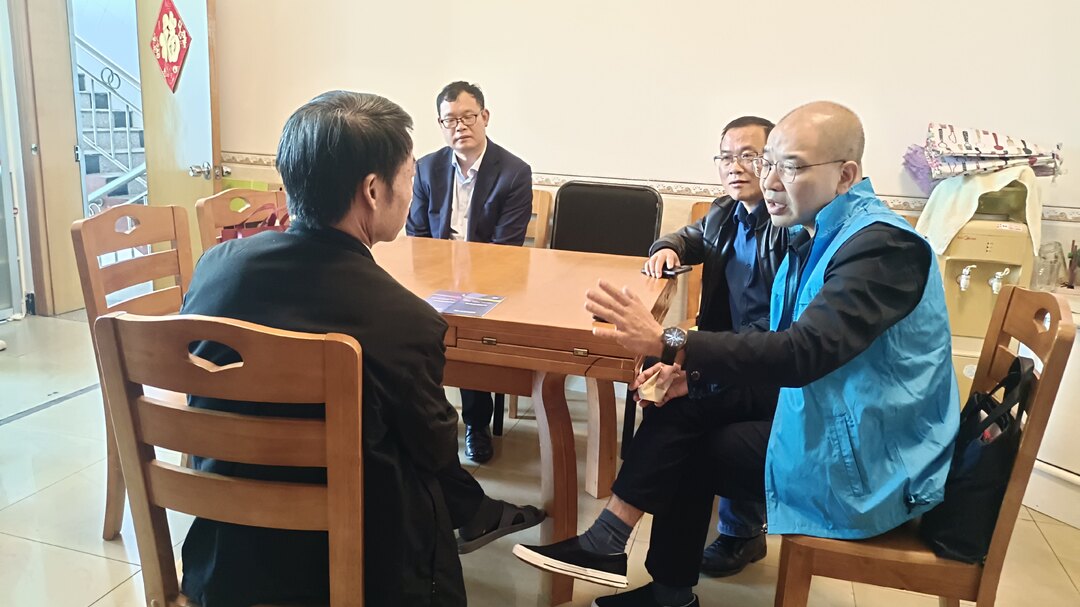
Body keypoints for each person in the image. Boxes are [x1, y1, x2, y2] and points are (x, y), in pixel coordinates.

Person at [514, 101, 959, 607]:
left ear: (845, 175)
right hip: (828, 409)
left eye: (790, 167)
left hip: (871, 454)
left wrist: (670, 342)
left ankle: (652, 576)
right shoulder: (814, 232)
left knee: (696, 448)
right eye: (768, 164)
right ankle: (621, 553)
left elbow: (803, 353)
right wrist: (691, 374)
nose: (769, 181)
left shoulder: (881, 247)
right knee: (682, 401)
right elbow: (785, 351)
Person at [179, 91, 543, 607]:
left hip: (226, 561)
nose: (412, 191)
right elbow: (435, 449)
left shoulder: (215, 268)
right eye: (409, 177)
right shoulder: (405, 320)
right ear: (373, 190)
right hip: (351, 568)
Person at [644, 115, 786, 578]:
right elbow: (690, 237)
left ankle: (741, 530)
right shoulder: (726, 211)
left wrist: (699, 359)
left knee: (689, 407)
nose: (735, 167)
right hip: (728, 349)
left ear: (773, 161)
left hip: (767, 363)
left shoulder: (786, 224)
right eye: (726, 157)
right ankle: (656, 523)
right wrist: (667, 247)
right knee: (658, 374)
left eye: (749, 156)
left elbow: (775, 330)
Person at [407, 81, 533, 463]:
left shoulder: (513, 172)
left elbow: (504, 248)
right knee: (405, 324)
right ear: (441, 125)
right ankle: (424, 422)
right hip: (434, 276)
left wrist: (462, 285)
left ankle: (477, 425)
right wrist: (436, 280)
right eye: (450, 120)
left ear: (485, 117)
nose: (460, 126)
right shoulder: (426, 168)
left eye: (468, 117)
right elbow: (416, 234)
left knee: (470, 331)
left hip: (489, 279)